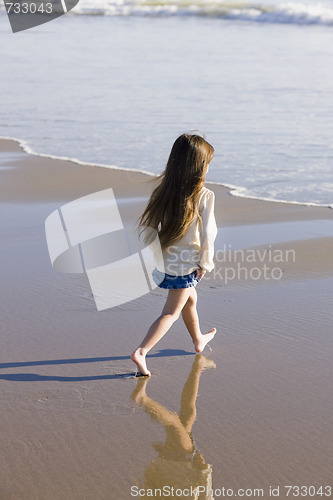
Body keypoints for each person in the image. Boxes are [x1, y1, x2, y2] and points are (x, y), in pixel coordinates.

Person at [131, 133, 218, 376]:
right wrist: (206, 263)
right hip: (186, 264)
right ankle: (141, 351)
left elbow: (149, 229)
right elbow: (209, 233)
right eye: (208, 163)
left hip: (166, 261)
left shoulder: (164, 191)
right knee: (170, 312)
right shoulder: (204, 195)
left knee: (190, 298)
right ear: (199, 167)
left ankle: (198, 339)